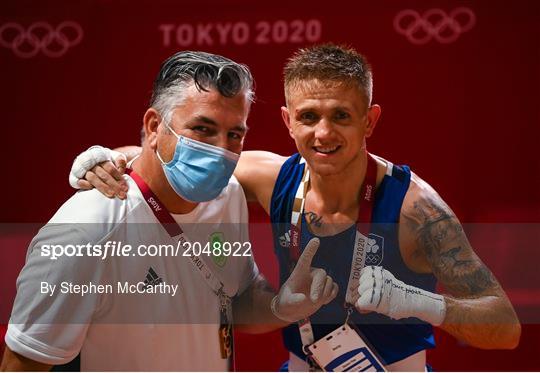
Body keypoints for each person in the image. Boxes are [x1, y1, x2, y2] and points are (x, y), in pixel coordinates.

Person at [64, 44, 521, 371]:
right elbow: (175, 157)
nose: (323, 134)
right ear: (287, 120)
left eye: (341, 115)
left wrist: (419, 303)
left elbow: (505, 329)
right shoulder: (272, 175)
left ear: (370, 119)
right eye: (308, 117)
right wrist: (109, 157)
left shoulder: (414, 209)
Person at [1, 51, 339, 371]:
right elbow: (23, 364)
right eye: (202, 129)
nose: (220, 150)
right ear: (153, 127)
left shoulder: (227, 196)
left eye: (234, 134)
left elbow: (234, 300)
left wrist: (280, 307)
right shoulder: (87, 232)